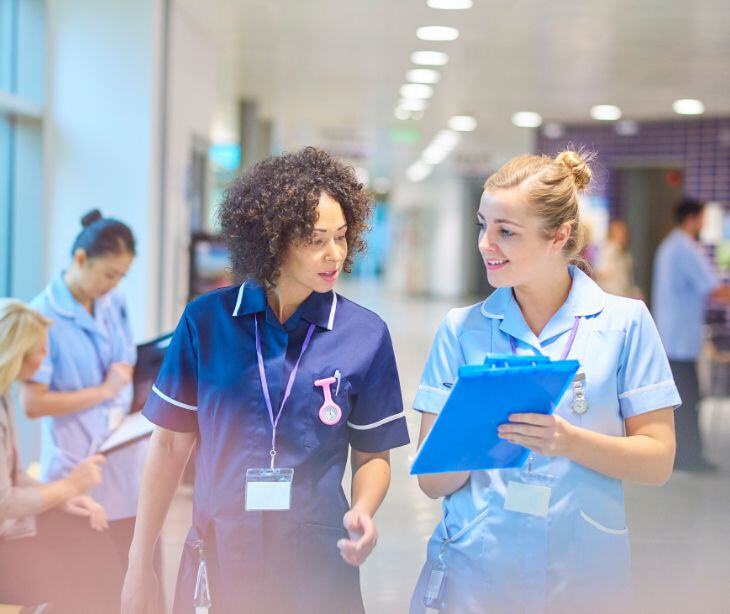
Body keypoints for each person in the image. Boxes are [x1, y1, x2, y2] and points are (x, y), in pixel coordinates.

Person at [121, 147, 410, 614]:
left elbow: (373, 453)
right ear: (272, 240)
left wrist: (363, 509)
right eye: (317, 240)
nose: (335, 254)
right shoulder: (206, 322)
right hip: (219, 554)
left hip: (317, 562)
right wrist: (139, 563)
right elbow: (170, 446)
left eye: (341, 236)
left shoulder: (364, 334)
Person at [410, 151, 679, 613]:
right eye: (483, 225)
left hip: (582, 574)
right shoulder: (462, 330)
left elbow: (657, 462)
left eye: (506, 232)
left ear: (559, 236)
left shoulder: (625, 324)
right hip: (475, 570)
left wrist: (568, 441)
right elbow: (432, 483)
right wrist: (471, 430)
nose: (485, 244)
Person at [23, 210, 145, 568]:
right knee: (90, 585)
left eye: (121, 276)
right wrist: (103, 392)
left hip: (123, 460)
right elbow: (33, 402)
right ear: (81, 259)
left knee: (131, 574)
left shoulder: (114, 303)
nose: (114, 285)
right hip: (74, 470)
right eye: (109, 274)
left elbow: (125, 363)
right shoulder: (42, 315)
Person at [0, 299, 124, 613]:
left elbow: (12, 475)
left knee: (92, 537)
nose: (45, 359)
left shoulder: (4, 398)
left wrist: (59, 497)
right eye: (41, 350)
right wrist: (69, 487)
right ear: (18, 352)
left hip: (8, 527)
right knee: (78, 570)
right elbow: (4, 502)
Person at [652, 198, 730, 472]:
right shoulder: (685, 248)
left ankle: (683, 456)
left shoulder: (670, 245)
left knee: (681, 402)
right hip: (680, 341)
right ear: (693, 219)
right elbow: (715, 290)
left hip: (672, 336)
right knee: (688, 402)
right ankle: (688, 458)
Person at [595, 219, 641, 298]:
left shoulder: (625, 254)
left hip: (623, 298)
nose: (623, 236)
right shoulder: (608, 251)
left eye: (625, 233)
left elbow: (628, 281)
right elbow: (601, 273)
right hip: (613, 299)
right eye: (620, 232)